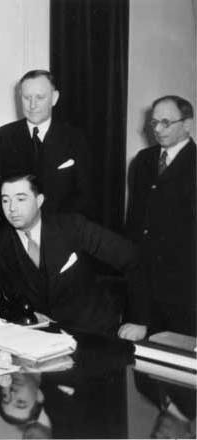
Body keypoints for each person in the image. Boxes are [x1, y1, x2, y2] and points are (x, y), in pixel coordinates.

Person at [0, 173, 142, 335]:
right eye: (5, 200)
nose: (12, 208)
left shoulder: (73, 227)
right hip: (38, 337)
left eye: (20, 199)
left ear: (39, 201)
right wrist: (22, 314)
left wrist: (138, 321)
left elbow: (133, 258)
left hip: (93, 331)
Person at [0, 70, 93, 231]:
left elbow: (85, 196)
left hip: (62, 239)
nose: (32, 105)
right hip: (13, 242)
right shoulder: (2, 137)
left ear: (54, 98)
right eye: (27, 98)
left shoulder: (75, 139)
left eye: (40, 98)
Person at [122, 95, 196, 339]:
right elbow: (134, 227)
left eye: (166, 122)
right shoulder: (142, 161)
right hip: (142, 287)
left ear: (187, 124)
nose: (158, 129)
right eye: (154, 123)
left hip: (184, 293)